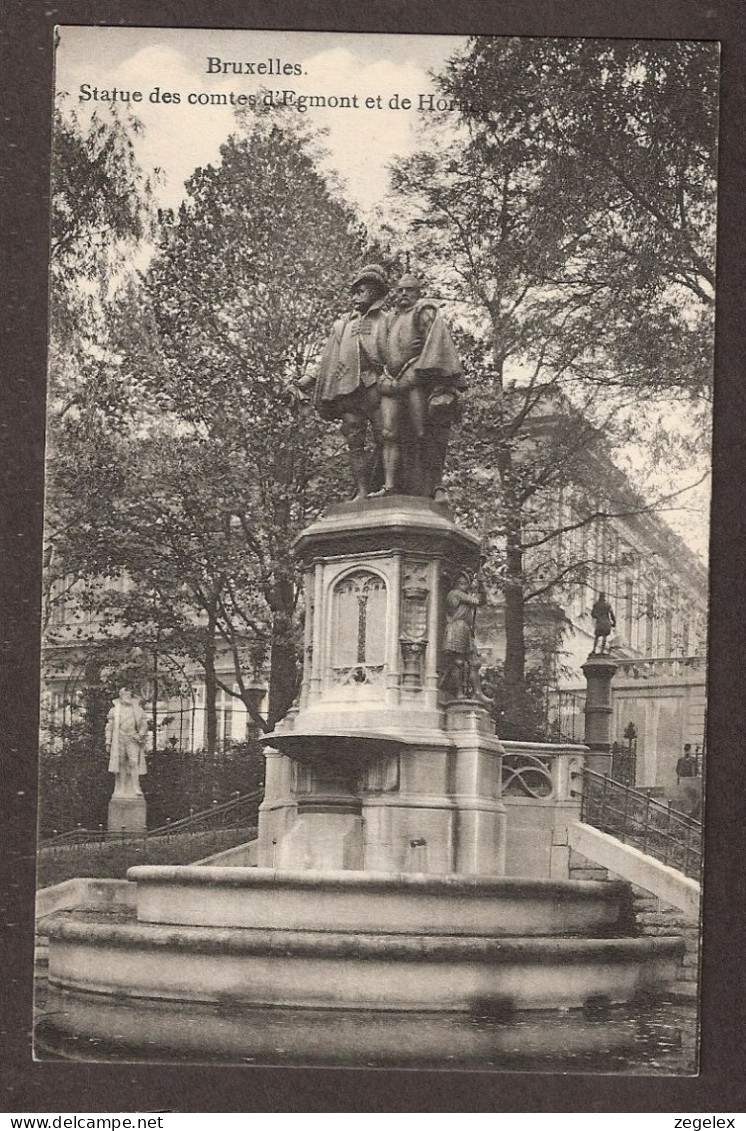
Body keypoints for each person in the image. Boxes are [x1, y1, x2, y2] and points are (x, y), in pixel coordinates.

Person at [376, 274, 465, 499]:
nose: (403, 294)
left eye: (409, 290)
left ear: (417, 292)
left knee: (422, 431)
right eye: (400, 290)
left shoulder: (422, 312)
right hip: (389, 380)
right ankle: (389, 485)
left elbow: (434, 347)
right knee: (388, 433)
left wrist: (426, 377)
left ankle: (435, 486)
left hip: (414, 379)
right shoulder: (389, 319)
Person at [303, 264, 389, 499]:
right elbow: (326, 361)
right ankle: (361, 491)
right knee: (355, 442)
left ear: (375, 291)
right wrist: (306, 381)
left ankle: (385, 486)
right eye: (354, 292)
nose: (354, 297)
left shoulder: (388, 321)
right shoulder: (343, 326)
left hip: (378, 387)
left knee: (387, 435)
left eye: (360, 291)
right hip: (350, 391)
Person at [439, 570, 490, 701]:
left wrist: (481, 585)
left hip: (465, 630)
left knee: (474, 662)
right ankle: (459, 693)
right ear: (456, 584)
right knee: (459, 662)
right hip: (457, 628)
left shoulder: (463, 595)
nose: (465, 586)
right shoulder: (455, 594)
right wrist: (480, 583)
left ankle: (477, 692)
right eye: (462, 583)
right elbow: (478, 601)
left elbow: (481, 600)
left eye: (466, 583)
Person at [106, 687, 148, 797]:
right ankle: (122, 788)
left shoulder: (137, 709)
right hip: (119, 738)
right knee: (121, 763)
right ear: (121, 696)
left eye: (129, 695)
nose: (128, 697)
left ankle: (135, 787)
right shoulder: (114, 710)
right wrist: (108, 741)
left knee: (134, 762)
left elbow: (144, 725)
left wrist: (140, 735)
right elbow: (109, 727)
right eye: (126, 695)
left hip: (132, 738)